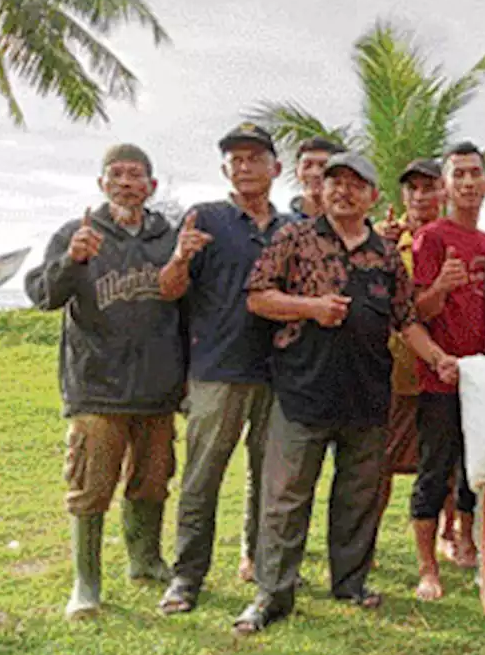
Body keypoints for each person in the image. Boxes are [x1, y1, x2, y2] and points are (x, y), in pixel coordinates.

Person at [233, 153, 457, 634]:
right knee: (287, 498)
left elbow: (406, 319)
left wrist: (436, 356)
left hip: (367, 395)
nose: (343, 191)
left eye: (356, 184)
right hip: (302, 391)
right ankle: (273, 594)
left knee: (357, 496)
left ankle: (350, 583)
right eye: (335, 182)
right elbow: (258, 296)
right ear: (322, 189)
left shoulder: (385, 254)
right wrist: (310, 307)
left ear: (373, 197)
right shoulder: (294, 237)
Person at [25, 145, 185, 619]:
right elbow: (42, 295)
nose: (124, 182)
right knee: (91, 484)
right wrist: (72, 261)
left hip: (157, 386)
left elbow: (187, 306)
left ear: (151, 187)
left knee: (153, 480)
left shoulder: (167, 237)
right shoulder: (77, 233)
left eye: (135, 175)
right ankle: (86, 582)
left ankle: (146, 560)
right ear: (101, 184)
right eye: (115, 174)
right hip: (97, 385)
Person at [157, 123, 293, 615]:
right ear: (224, 170)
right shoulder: (205, 219)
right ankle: (186, 577)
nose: (244, 166)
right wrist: (179, 257)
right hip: (217, 368)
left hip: (278, 371)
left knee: (270, 476)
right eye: (235, 159)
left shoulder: (290, 227)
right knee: (202, 477)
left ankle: (261, 565)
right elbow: (169, 289)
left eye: (254, 157)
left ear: (276, 168)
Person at [408, 142, 485, 601]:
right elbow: (415, 312)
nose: (466, 183)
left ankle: (467, 540)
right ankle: (427, 568)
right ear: (444, 186)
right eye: (457, 175)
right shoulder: (431, 238)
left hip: (484, 378)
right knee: (434, 469)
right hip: (439, 376)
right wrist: (441, 285)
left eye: (474, 174)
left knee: (474, 468)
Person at [376, 159, 455, 550]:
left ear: (444, 191)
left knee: (449, 460)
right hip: (398, 368)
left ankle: (449, 532)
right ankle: (366, 541)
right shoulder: (385, 240)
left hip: (447, 367)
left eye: (429, 187)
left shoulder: (458, 236)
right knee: (381, 461)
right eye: (413, 189)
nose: (421, 196)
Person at [289, 136, 344, 219]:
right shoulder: (281, 225)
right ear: (296, 172)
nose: (315, 173)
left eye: (323, 166)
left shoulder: (355, 225)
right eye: (307, 166)